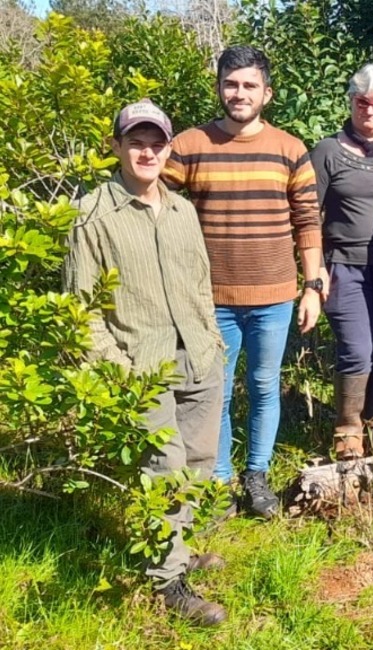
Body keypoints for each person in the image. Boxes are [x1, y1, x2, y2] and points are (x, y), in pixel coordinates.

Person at [64, 100, 228, 626]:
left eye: (156, 143)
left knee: (198, 461)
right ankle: (168, 583)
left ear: (168, 149)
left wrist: (212, 343)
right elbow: (81, 309)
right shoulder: (92, 215)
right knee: (163, 469)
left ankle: (179, 550)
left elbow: (200, 283)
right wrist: (120, 368)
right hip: (142, 367)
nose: (147, 152)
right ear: (116, 147)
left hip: (198, 357)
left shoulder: (182, 211)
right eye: (136, 142)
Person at [162, 45, 324, 518]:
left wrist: (312, 287)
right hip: (209, 299)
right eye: (231, 84)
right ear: (218, 88)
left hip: (274, 295)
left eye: (250, 85)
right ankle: (218, 481)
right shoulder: (189, 146)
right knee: (214, 391)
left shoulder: (289, 149)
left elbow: (308, 222)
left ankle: (257, 476)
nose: (239, 93)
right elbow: (156, 206)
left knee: (265, 385)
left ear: (266, 93)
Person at [310, 64, 373, 460]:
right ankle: (348, 430)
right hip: (344, 265)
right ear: (351, 101)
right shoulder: (327, 151)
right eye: (362, 102)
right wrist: (315, 271)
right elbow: (307, 215)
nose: (370, 112)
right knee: (357, 349)